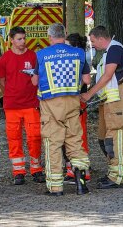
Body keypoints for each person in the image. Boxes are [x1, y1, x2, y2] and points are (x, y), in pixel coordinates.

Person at [32, 23, 91, 196]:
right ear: (64, 35)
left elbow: (35, 82)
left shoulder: (41, 54)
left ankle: (56, 187)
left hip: (51, 106)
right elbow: (86, 79)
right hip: (72, 103)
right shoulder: (79, 53)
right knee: (75, 142)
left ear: (50, 37)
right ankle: (81, 185)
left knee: (53, 144)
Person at [80, 26, 123, 189]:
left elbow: (108, 75)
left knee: (116, 137)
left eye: (93, 41)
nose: (92, 45)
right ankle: (113, 173)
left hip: (116, 102)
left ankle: (118, 177)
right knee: (107, 137)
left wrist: (89, 94)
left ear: (101, 38)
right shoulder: (110, 50)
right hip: (111, 101)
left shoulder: (114, 49)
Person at [0, 26, 45, 185]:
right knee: (14, 138)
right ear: (11, 40)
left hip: (31, 104)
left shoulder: (33, 56)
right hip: (12, 105)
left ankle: (36, 169)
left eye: (24, 38)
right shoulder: (5, 58)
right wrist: (9, 93)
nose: (23, 41)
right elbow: (1, 80)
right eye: (19, 39)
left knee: (35, 137)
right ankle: (18, 172)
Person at [63, 33, 91, 184]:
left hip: (76, 100)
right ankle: (73, 169)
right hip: (74, 100)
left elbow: (83, 80)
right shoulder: (78, 58)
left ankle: (82, 170)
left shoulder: (78, 59)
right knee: (71, 135)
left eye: (67, 45)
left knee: (78, 135)